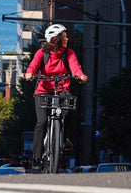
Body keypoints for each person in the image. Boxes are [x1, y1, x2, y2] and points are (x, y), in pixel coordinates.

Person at [24, 24, 88, 170]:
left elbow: (75, 67)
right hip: (43, 89)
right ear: (55, 39)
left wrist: (80, 76)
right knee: (41, 122)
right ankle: (37, 157)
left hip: (62, 88)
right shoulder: (42, 53)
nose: (67, 38)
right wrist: (29, 74)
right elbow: (33, 66)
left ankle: (63, 138)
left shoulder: (69, 53)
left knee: (69, 109)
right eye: (64, 36)